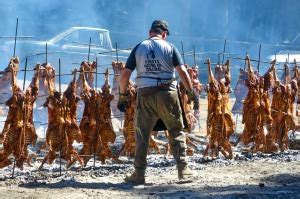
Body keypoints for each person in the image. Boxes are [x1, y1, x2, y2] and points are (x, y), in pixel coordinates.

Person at [117, 20, 198, 184]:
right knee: (175, 131)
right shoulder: (170, 47)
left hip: (145, 94)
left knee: (142, 134)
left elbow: (125, 74)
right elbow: (182, 71)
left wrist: (123, 95)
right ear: (165, 34)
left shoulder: (139, 47)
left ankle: (139, 174)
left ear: (150, 32)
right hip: (168, 94)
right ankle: (184, 171)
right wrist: (191, 93)